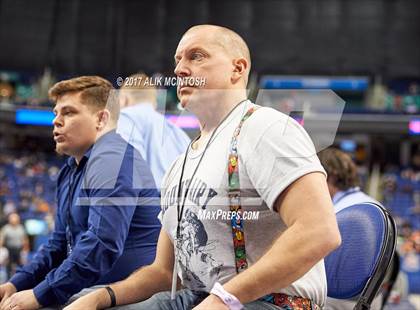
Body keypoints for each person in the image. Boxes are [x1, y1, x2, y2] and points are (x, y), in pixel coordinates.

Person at [65, 24, 341, 310]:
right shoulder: (180, 161)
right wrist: (102, 296)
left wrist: (223, 298)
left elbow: (319, 231)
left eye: (196, 56)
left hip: (268, 302)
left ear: (237, 69)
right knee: (79, 300)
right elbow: (164, 272)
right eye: (178, 60)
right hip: (198, 297)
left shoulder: (267, 127)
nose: (180, 70)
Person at [0, 76, 161, 309]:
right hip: (93, 290)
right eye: (56, 113)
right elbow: (58, 244)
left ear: (101, 119)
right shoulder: (70, 170)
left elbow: (102, 243)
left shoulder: (112, 157)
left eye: (69, 112)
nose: (56, 121)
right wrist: (16, 284)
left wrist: (40, 294)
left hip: (128, 294)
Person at [318, 147, 382, 310]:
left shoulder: (342, 214)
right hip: (372, 300)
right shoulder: (373, 207)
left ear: (329, 176)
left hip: (342, 303)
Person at [117, 73, 190, 188]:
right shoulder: (179, 133)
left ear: (124, 99)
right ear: (154, 103)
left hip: (141, 201)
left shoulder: (124, 117)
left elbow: (127, 171)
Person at [0, 213, 27, 278]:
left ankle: (20, 278)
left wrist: (25, 250)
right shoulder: (6, 228)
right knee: (8, 265)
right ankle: (8, 279)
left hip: (18, 249)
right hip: (9, 249)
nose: (14, 220)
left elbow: (24, 239)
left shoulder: (21, 228)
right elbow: (2, 239)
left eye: (15, 218)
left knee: (21, 265)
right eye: (12, 218)